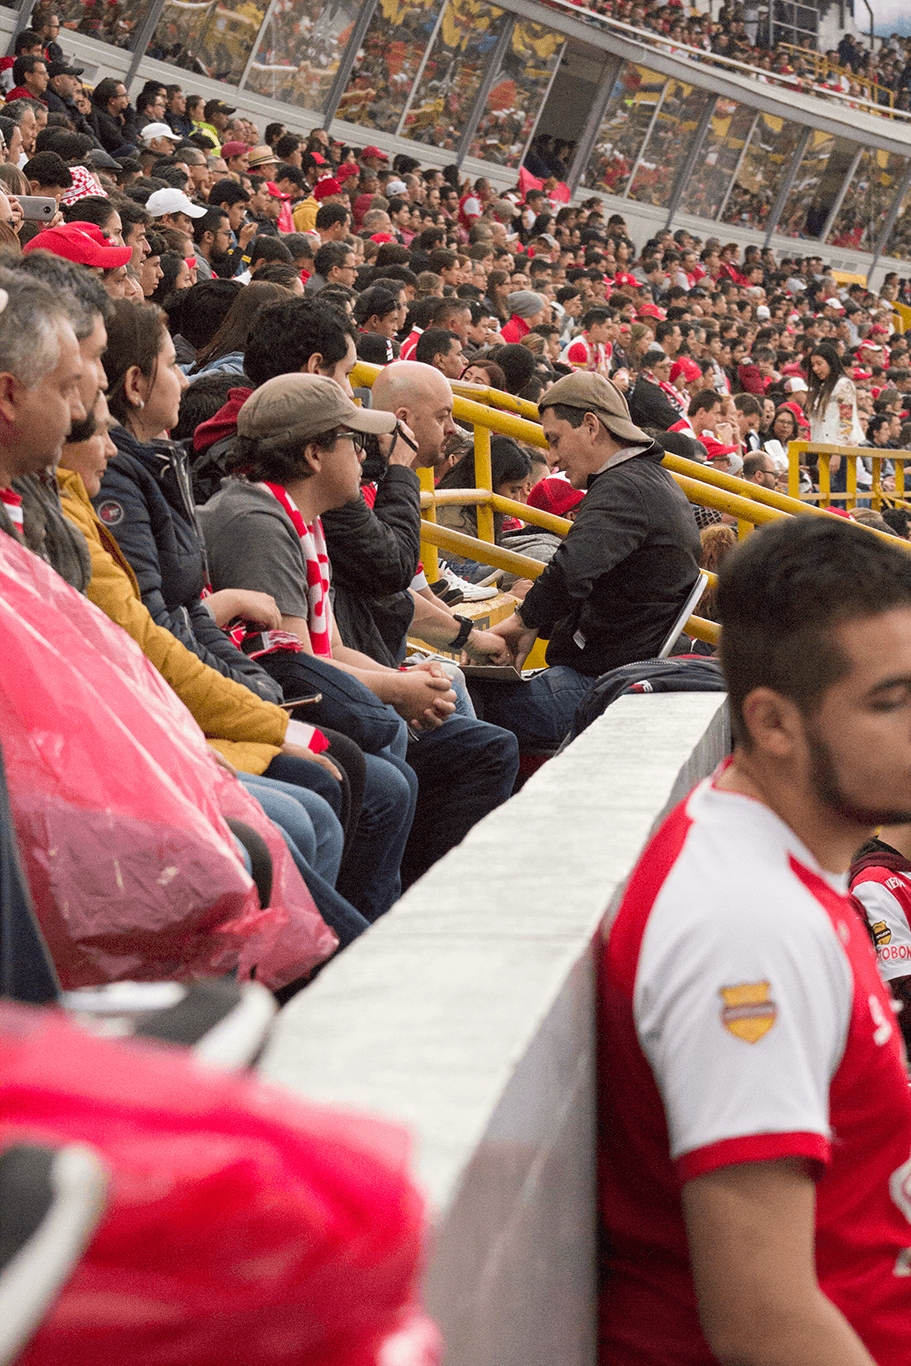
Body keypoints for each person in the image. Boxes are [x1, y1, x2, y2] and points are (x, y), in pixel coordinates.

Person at [599, 514, 911, 1366]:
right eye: (890, 701)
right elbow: (761, 1318)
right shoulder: (747, 925)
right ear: (772, 724)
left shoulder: (779, 870)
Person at [474, 371, 701, 748]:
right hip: (614, 674)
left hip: (598, 686)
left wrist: (521, 620)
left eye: (555, 439)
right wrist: (535, 626)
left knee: (459, 700)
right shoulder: (647, 479)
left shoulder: (623, 487)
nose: (552, 456)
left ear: (591, 426)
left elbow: (570, 570)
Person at [805, 341, 866, 500]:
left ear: (830, 362)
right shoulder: (821, 389)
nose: (815, 369)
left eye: (819, 364)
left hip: (842, 451)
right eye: (813, 365)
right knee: (829, 496)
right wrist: (821, 453)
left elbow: (846, 421)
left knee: (841, 496)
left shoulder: (843, 384)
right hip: (826, 450)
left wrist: (837, 453)